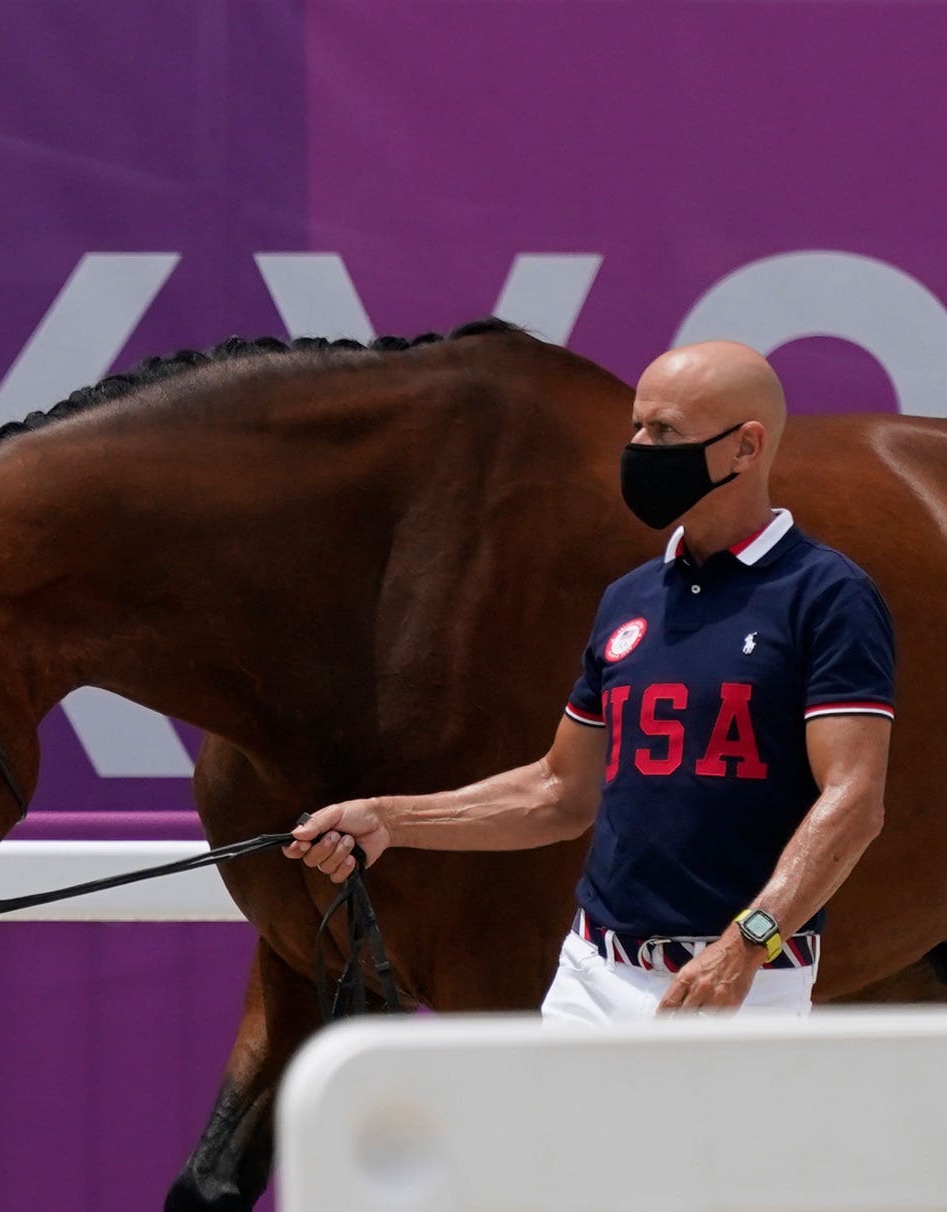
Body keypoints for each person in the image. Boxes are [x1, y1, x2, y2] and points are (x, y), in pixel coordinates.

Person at [286, 341, 894, 1022]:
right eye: (636, 426)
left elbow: (852, 802)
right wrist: (391, 820)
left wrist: (746, 946)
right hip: (591, 973)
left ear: (745, 448)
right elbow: (559, 791)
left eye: (664, 431)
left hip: (742, 984)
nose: (638, 446)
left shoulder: (826, 594)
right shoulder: (630, 598)